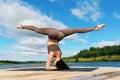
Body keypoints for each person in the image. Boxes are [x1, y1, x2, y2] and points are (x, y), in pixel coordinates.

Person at [17, 24, 105, 70]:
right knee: (76, 30)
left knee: (75, 30)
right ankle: (94, 28)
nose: (54, 63)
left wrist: (57, 68)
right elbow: (49, 67)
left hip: (56, 35)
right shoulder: (56, 55)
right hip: (58, 34)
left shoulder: (58, 55)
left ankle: (23, 26)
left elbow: (48, 68)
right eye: (54, 63)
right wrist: (57, 67)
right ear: (56, 61)